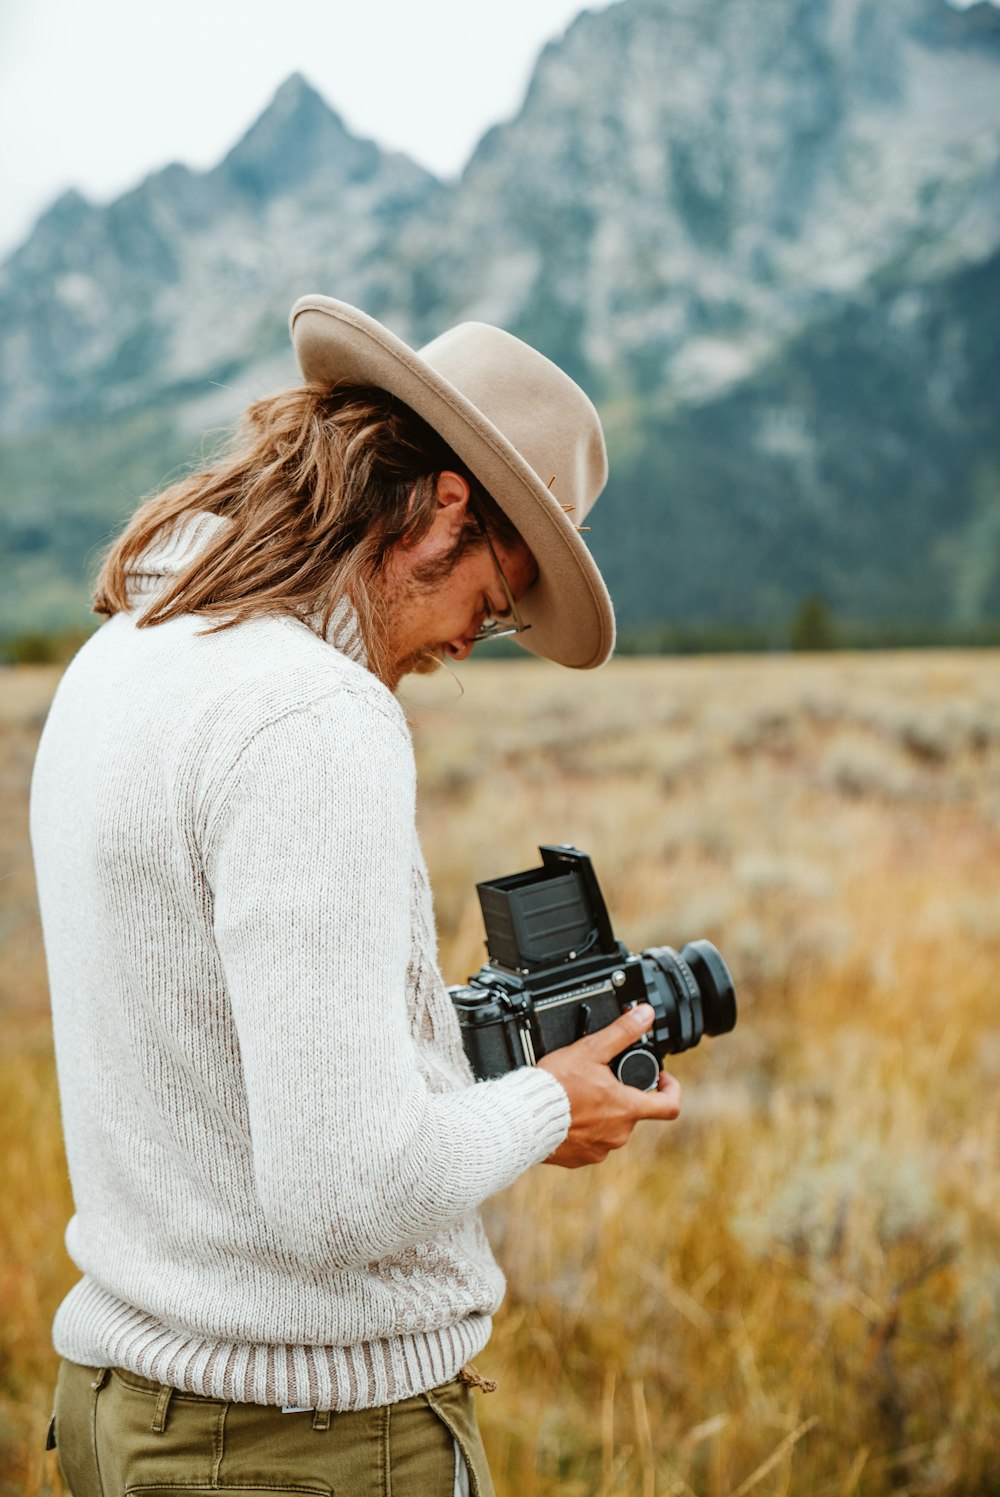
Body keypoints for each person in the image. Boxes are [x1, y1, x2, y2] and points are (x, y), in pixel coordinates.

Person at [31, 296, 682, 1497]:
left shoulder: (131, 648)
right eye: (500, 590)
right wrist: (551, 1104)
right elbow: (345, 1194)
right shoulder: (312, 717)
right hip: (302, 1446)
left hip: (133, 1414)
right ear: (445, 504)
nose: (479, 638)